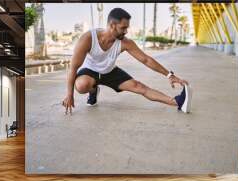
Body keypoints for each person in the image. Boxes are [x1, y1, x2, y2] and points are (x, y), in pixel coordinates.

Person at [62, 8, 192, 115]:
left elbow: (146, 60)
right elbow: (73, 67)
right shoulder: (88, 38)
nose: (126, 31)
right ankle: (93, 91)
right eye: (123, 28)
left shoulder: (125, 43)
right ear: (112, 25)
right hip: (90, 71)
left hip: (110, 71)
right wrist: (69, 94)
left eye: (127, 28)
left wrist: (169, 75)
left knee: (140, 87)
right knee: (81, 85)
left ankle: (177, 102)